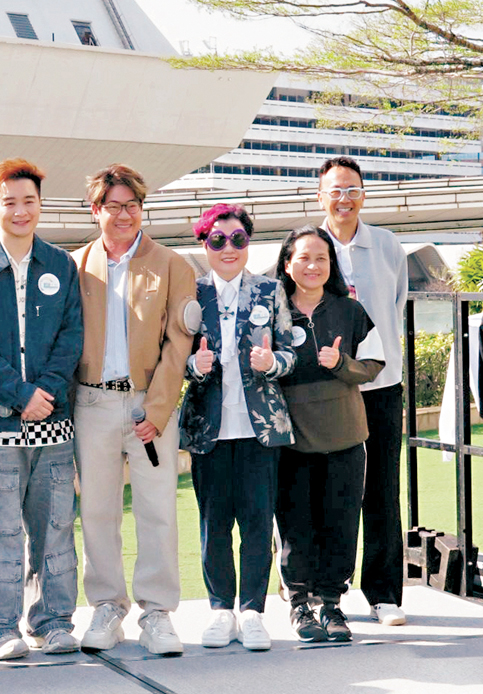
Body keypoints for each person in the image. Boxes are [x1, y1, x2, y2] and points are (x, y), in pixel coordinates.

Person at [0, 158, 84, 661]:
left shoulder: (60, 265)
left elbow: (71, 335)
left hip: (53, 424)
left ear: (40, 205)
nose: (20, 210)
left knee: (55, 530)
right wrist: (19, 394)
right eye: (10, 202)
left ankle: (53, 621)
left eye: (29, 201)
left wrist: (45, 392)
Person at [72, 164, 197, 656]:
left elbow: (178, 343)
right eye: (113, 206)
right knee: (97, 510)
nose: (124, 215)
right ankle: (107, 606)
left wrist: (158, 409)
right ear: (95, 209)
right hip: (92, 403)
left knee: (157, 509)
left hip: (149, 403)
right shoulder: (75, 265)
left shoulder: (172, 264)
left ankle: (158, 613)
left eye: (132, 205)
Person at [178, 204, 296, 652]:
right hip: (208, 427)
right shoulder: (190, 293)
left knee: (257, 522)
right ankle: (220, 610)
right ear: (204, 244)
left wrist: (272, 362)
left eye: (238, 239)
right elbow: (171, 358)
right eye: (217, 239)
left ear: (249, 243)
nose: (228, 248)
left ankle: (252, 611)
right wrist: (194, 365)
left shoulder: (270, 289)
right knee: (214, 524)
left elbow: (290, 353)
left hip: (259, 427)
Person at [274, 224, 386, 643]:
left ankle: (332, 604)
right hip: (291, 438)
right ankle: (300, 604)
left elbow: (374, 364)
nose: (313, 266)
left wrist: (341, 363)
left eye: (321, 258)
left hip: (344, 435)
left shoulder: (350, 310)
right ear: (287, 264)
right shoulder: (271, 311)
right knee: (295, 524)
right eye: (303, 257)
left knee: (340, 522)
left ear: (331, 265)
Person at [317, 156, 408, 627]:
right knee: (327, 489)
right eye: (335, 191)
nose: (344, 199)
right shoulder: (309, 246)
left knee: (382, 489)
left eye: (352, 190)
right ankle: (321, 591)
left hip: (382, 384)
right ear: (320, 197)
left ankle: (383, 593)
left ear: (363, 195)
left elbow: (395, 305)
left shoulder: (387, 245)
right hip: (327, 391)